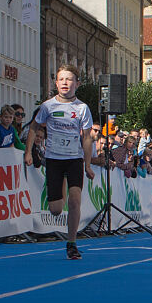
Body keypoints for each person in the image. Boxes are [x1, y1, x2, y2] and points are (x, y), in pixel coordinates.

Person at [26, 64, 95, 260]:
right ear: (56, 83)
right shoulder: (48, 106)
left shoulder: (82, 108)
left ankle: (72, 243)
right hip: (54, 159)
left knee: (75, 201)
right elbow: (33, 127)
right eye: (61, 79)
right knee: (56, 210)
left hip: (74, 159)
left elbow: (87, 137)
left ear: (77, 84)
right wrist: (28, 152)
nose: (65, 83)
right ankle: (59, 189)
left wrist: (87, 164)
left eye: (69, 79)